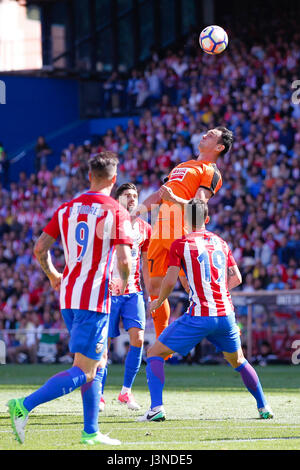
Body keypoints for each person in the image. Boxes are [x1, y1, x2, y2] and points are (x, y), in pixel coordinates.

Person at [7, 152, 133, 446]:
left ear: (90, 176)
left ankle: (90, 432)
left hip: (69, 297)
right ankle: (24, 405)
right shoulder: (116, 212)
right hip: (93, 299)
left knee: (97, 363)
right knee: (85, 369)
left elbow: (40, 248)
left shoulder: (67, 209)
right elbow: (125, 261)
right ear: (114, 180)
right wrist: (122, 282)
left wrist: (53, 275)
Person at [138, 199, 273, 422]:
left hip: (200, 315)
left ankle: (156, 408)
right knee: (239, 360)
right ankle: (264, 406)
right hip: (226, 315)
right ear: (207, 219)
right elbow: (237, 278)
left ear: (184, 220)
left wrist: (159, 300)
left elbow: (170, 280)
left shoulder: (180, 244)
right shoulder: (221, 242)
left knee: (154, 353)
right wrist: (215, 291)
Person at [133, 127, 233, 340]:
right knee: (153, 288)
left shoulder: (210, 171)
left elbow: (199, 206)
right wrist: (135, 213)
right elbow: (160, 195)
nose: (205, 134)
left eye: (212, 135)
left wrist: (173, 198)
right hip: (160, 229)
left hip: (183, 232)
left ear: (219, 147)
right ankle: (163, 347)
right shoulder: (182, 166)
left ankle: (219, 333)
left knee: (193, 288)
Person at [100, 183, 151, 411]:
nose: (132, 199)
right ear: (118, 199)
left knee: (138, 339)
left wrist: (149, 295)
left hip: (133, 293)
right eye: (127, 195)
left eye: (135, 195)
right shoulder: (107, 224)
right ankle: (98, 394)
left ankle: (126, 392)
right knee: (104, 346)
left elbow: (146, 266)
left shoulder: (145, 229)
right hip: (109, 293)